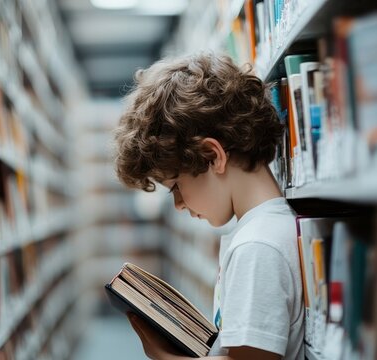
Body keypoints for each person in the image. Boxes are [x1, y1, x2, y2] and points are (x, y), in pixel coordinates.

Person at [113, 53, 304, 360]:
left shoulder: (256, 247)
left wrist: (164, 357)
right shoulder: (262, 232)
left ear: (213, 156)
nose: (178, 205)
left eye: (176, 186)